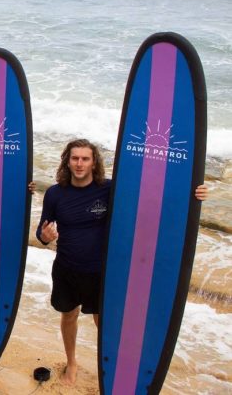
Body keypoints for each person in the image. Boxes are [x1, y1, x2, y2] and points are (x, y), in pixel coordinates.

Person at [37, 138, 208, 386]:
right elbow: (42, 232)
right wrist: (44, 236)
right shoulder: (55, 193)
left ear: (94, 162)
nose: (79, 163)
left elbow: (152, 195)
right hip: (66, 268)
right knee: (69, 316)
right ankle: (71, 362)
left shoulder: (109, 189)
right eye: (75, 158)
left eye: (85, 158)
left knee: (103, 321)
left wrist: (194, 192)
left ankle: (111, 365)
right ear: (67, 161)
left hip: (101, 272)